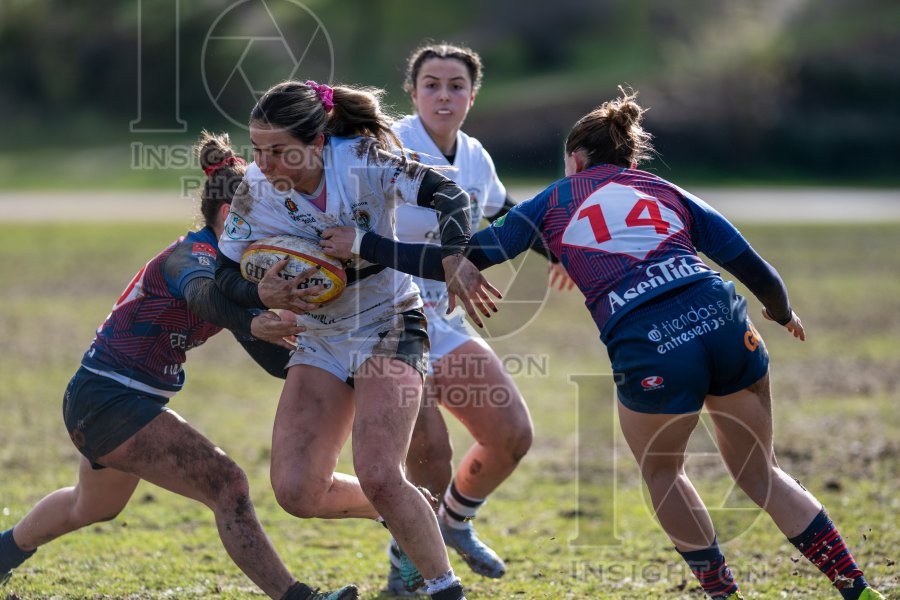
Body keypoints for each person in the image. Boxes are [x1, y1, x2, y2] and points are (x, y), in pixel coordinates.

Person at [323, 88, 886, 600]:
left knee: (664, 474)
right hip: (723, 320)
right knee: (760, 472)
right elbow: (752, 266)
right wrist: (782, 313)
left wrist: (366, 242)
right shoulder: (663, 189)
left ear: (575, 160)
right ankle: (856, 588)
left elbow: (466, 256)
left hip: (651, 341)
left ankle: (723, 594)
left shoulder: (556, 200)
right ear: (630, 162)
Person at [0, 132, 358, 600]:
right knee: (227, 484)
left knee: (88, 506)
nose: (277, 232)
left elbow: (274, 360)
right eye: (268, 219)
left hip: (107, 399)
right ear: (232, 216)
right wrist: (255, 314)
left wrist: (341, 366)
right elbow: (203, 299)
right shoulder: (193, 256)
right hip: (110, 398)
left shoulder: (233, 275)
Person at [213, 80, 497, 600]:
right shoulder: (252, 189)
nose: (264, 163)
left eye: (279, 151)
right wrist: (260, 294)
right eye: (257, 150)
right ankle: (403, 512)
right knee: (296, 492)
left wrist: (455, 253)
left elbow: (447, 193)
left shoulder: (363, 157)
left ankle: (442, 588)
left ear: (318, 142)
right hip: (319, 336)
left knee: (379, 472)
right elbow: (223, 277)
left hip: (389, 321)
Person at [343, 42, 559, 594]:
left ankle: (454, 523)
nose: (444, 94)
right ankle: (406, 563)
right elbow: (352, 236)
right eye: (432, 84)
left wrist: (562, 256)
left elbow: (506, 210)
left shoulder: (475, 156)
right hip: (386, 322)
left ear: (471, 94)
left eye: (456, 85)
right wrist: (447, 262)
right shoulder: (388, 148)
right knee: (431, 460)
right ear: (411, 94)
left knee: (511, 435)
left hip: (443, 322)